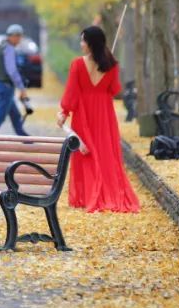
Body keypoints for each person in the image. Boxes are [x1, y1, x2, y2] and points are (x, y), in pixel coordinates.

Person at [56, 26, 140, 213]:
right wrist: (109, 69)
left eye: (83, 40)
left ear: (91, 43)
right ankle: (107, 191)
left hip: (84, 113)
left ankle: (87, 195)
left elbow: (71, 93)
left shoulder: (77, 64)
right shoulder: (112, 65)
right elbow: (115, 89)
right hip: (104, 113)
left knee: (86, 152)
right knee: (104, 151)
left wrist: (64, 112)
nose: (81, 44)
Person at [0, 24, 30, 136]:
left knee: (15, 115)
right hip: (6, 87)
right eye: (19, 37)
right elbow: (12, 71)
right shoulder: (9, 49)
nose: (20, 40)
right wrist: (22, 89)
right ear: (13, 36)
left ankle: (25, 139)